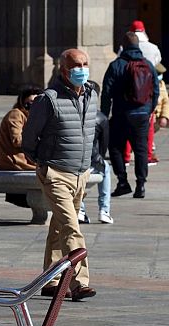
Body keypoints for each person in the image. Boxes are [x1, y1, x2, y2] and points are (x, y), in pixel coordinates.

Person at [23, 48, 97, 301]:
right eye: (77, 65)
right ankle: (79, 282)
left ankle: (51, 280)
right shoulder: (49, 99)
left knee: (58, 228)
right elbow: (30, 135)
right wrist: (39, 159)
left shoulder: (92, 94)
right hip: (55, 172)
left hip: (80, 173)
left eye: (85, 63)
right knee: (71, 227)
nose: (82, 69)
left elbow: (91, 130)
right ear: (64, 69)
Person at [101, 32, 159, 199]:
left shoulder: (116, 65)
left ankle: (122, 182)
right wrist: (149, 109)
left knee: (115, 148)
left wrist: (105, 115)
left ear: (124, 46)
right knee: (141, 149)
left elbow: (106, 93)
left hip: (121, 114)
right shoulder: (147, 65)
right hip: (141, 115)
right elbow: (155, 91)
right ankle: (140, 185)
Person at [120, 21, 162, 166]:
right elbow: (158, 65)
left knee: (126, 126)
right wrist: (154, 102)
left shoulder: (123, 48)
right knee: (148, 128)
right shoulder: (153, 48)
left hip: (128, 93)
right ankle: (148, 156)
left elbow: (119, 65)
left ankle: (125, 157)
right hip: (146, 95)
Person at [0, 87, 42, 207]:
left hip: (24, 160)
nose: (32, 106)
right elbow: (17, 140)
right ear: (23, 102)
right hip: (14, 162)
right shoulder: (16, 114)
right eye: (29, 103)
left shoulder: (34, 118)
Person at [78, 80, 114, 224]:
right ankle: (104, 210)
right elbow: (103, 146)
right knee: (105, 167)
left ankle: (80, 209)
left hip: (70, 159)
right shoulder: (101, 117)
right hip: (91, 158)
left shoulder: (73, 111)